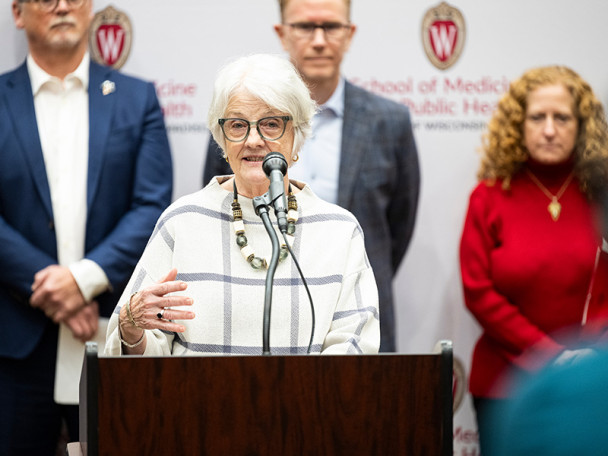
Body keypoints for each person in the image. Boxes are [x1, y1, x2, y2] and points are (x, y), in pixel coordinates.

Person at [105, 53, 379, 357]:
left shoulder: (338, 231)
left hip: (305, 404)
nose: (253, 140)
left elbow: (354, 349)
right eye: (238, 125)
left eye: (271, 124)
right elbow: (143, 353)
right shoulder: (182, 221)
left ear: (297, 133)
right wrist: (131, 328)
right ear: (222, 137)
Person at [0, 0, 173, 454]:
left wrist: (81, 280)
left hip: (114, 334)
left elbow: (152, 205)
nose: (61, 6)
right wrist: (53, 287)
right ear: (17, 14)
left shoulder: (139, 99)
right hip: (15, 344)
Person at [202, 0, 420, 352]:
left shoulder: (389, 121)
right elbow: (222, 203)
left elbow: (399, 224)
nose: (319, 40)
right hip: (256, 318)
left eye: (331, 27)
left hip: (357, 318)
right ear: (282, 33)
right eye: (305, 27)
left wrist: (349, 277)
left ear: (349, 35)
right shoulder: (239, 122)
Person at [459, 65, 608, 455]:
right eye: (537, 117)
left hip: (594, 382)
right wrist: (551, 355)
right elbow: (478, 292)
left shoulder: (601, 196)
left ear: (582, 125)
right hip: (503, 384)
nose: (548, 129)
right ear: (517, 124)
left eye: (562, 118)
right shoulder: (488, 196)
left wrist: (588, 354)